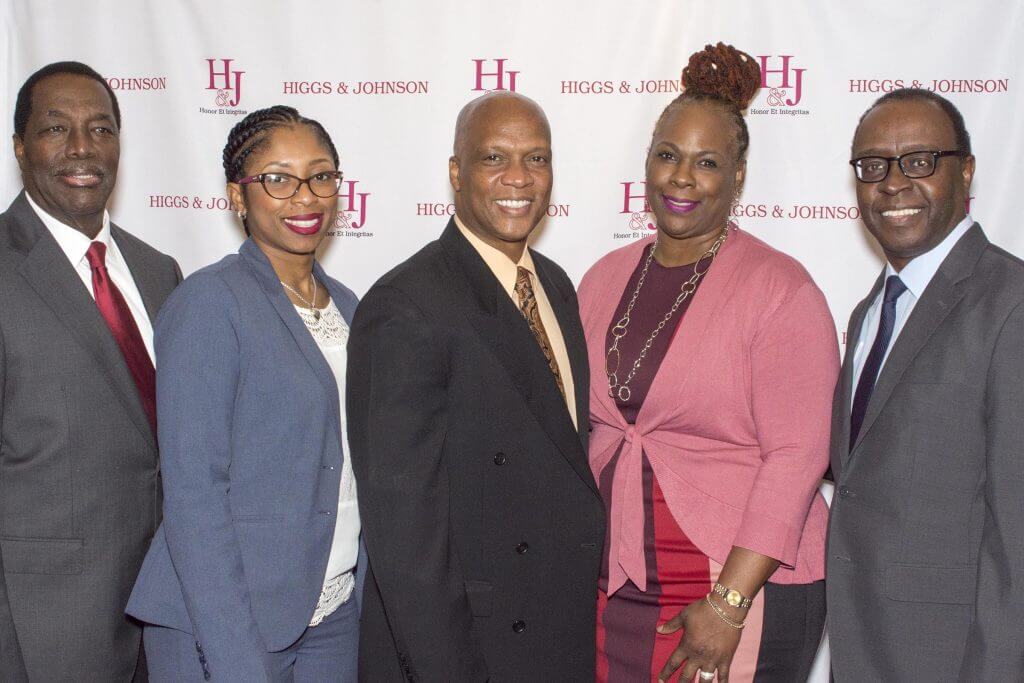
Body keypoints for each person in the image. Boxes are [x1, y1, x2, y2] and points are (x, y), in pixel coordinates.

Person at [578, 43, 838, 683]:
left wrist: (728, 604)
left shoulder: (781, 289)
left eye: (707, 162)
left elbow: (798, 457)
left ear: (739, 176)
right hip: (613, 585)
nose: (682, 178)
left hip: (732, 587)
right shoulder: (602, 278)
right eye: (668, 155)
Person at [347, 91, 605, 681]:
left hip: (556, 629)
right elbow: (405, 536)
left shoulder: (555, 286)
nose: (519, 177)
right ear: (456, 173)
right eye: (494, 158)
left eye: (537, 159)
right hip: (469, 646)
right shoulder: (406, 305)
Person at [126, 106, 363, 682]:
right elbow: (194, 493)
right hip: (227, 621)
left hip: (331, 611)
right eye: (278, 179)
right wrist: (232, 653)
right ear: (238, 195)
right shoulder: (211, 302)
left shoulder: (349, 306)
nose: (305, 196)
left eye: (321, 176)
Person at [827, 88, 1024, 682]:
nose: (892, 183)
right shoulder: (870, 313)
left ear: (965, 172)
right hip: (864, 651)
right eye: (873, 166)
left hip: (953, 660)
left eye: (919, 161)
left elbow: (1017, 540)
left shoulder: (1010, 304)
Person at [0, 61, 181, 681]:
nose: (82, 147)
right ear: (20, 147)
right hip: (43, 625)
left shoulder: (159, 271)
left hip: (165, 613)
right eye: (57, 128)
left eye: (101, 129)